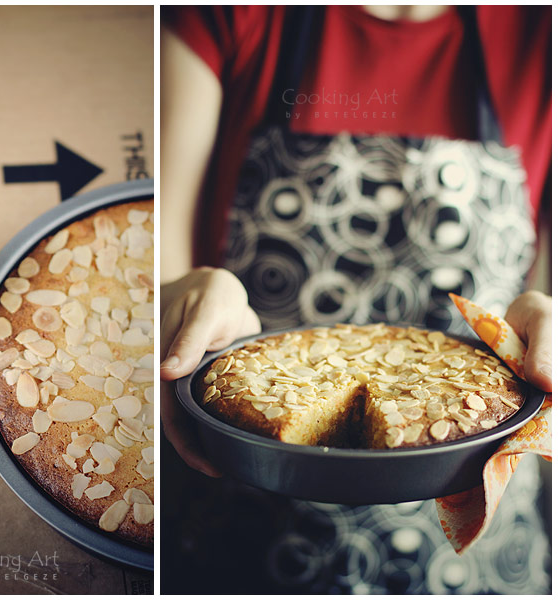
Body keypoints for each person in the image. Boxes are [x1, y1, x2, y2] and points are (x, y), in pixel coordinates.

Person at [160, 5, 551, 593]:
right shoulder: (227, 15)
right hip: (242, 508)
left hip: (475, 543)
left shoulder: (541, 36)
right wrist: (177, 297)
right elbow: (160, 247)